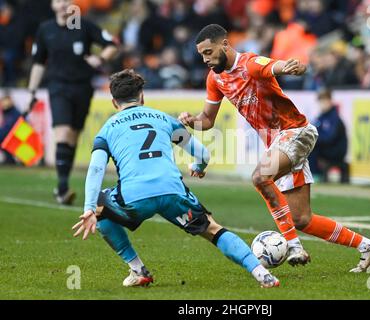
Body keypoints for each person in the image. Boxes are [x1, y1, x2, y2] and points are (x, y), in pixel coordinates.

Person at [179, 24, 370, 272]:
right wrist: (193, 121)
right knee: (301, 219)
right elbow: (208, 120)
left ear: (225, 44)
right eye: (202, 55)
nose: (205, 59)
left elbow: (274, 65)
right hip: (280, 142)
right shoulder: (215, 78)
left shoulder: (250, 64)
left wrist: (290, 66)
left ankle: (294, 246)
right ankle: (369, 246)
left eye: (209, 52)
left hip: (295, 132)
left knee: (260, 177)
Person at [71, 69, 280, 288]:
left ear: (114, 102)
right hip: (173, 191)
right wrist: (198, 167)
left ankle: (138, 269)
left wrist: (89, 207)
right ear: (141, 96)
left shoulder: (107, 130)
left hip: (134, 197)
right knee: (213, 230)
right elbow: (202, 154)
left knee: (100, 207)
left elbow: (96, 169)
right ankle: (261, 273)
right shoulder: (163, 119)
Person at [27, 0, 118, 205]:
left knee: (73, 136)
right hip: (58, 87)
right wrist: (32, 91)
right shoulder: (45, 29)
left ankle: (63, 185)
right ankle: (62, 188)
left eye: (66, 0)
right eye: (58, 1)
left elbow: (111, 45)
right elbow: (38, 63)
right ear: (52, 5)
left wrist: (100, 59)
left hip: (82, 87)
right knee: (63, 132)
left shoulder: (82, 26)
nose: (62, 4)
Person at [309, 89, 349, 183]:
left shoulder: (334, 118)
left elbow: (330, 138)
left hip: (336, 150)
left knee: (313, 149)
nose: (322, 104)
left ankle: (315, 175)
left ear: (329, 101)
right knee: (307, 146)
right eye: (320, 101)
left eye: (324, 101)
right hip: (326, 148)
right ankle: (310, 174)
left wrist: (316, 139)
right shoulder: (321, 117)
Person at [0, 93, 21, 164]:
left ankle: (10, 160)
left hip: (15, 138)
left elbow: (8, 129)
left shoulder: (14, 113)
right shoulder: (6, 113)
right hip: (9, 137)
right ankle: (9, 159)